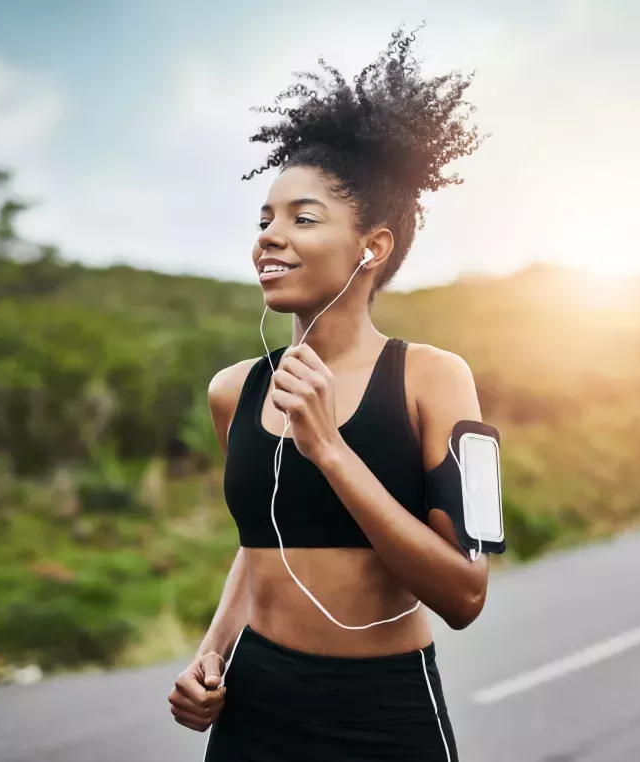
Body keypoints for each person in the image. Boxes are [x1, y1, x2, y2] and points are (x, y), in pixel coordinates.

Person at [167, 26, 489, 761]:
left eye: (301, 218)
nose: (268, 238)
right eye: (264, 220)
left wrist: (330, 450)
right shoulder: (234, 391)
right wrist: (211, 653)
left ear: (370, 247)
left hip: (383, 711)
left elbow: (465, 596)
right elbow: (260, 548)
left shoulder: (434, 378)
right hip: (253, 703)